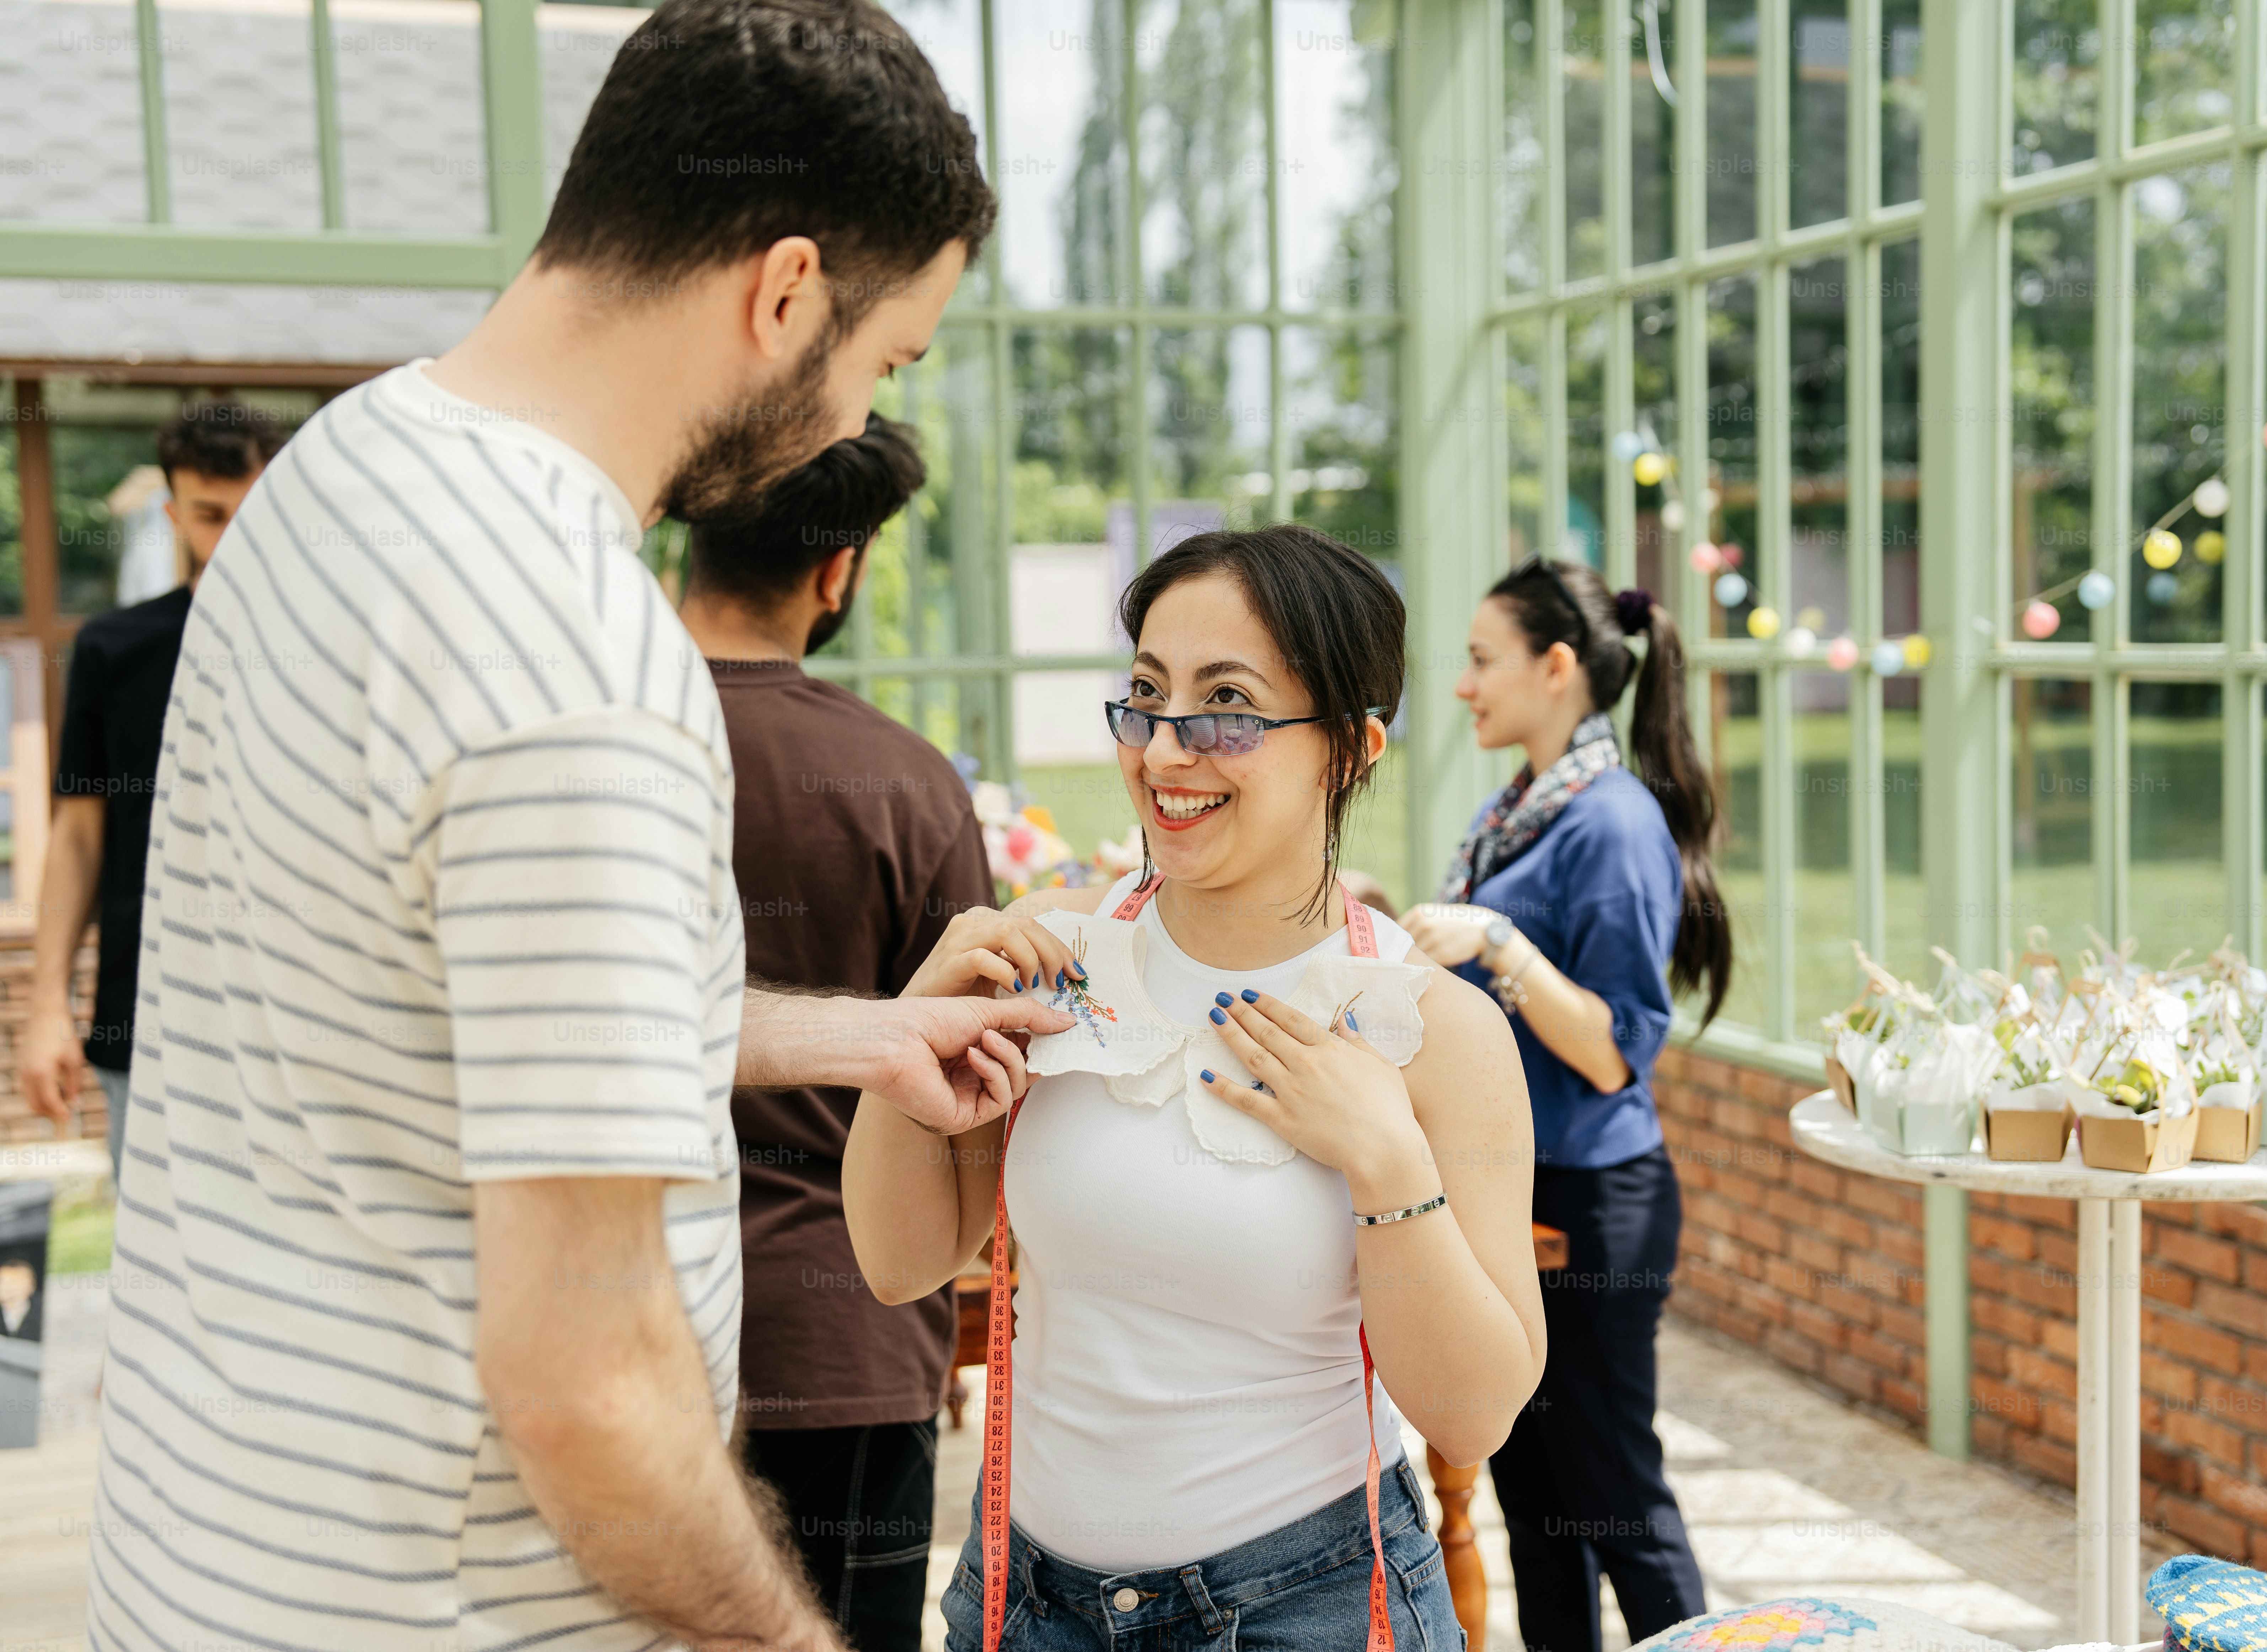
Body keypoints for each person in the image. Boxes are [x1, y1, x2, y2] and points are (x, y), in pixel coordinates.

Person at [79, 5, 1073, 1652]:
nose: (854, 427)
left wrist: (867, 1037)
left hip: (210, 1570)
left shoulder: (347, 470)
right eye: (885, 361)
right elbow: (588, 1397)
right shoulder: (579, 661)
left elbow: (432, 1012)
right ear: (787, 291)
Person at [845, 525, 1548, 1651]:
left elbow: (1472, 1415)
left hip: (1303, 1609)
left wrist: (1386, 1161)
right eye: (1143, 696)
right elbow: (899, 1263)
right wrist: (905, 1045)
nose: (1165, 751)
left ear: (1353, 749)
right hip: (1027, 1603)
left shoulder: (1429, 1029)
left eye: (1226, 706)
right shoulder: (1051, 954)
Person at [679, 414, 992, 1652]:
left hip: (620, 1328)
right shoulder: (902, 781)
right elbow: (973, 1060)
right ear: (838, 570)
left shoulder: (595, 750)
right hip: (843, 1330)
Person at [1403, 558, 1733, 1652]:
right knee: (1539, 1511)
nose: (1460, 685)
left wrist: (1496, 942)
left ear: (1556, 668)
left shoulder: (1612, 823)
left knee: (1615, 1499)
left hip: (1594, 1204)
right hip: (1520, 1194)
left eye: (1480, 659)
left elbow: (1612, 1051)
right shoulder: (1524, 812)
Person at [20, 402, 288, 1173]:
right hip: (145, 1020)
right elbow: (78, 836)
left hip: (293, 1029)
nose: (232, 536)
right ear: (174, 512)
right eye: (210, 515)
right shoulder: (115, 649)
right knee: (150, 1279)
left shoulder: (331, 650)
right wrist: (47, 1010)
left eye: (252, 513)